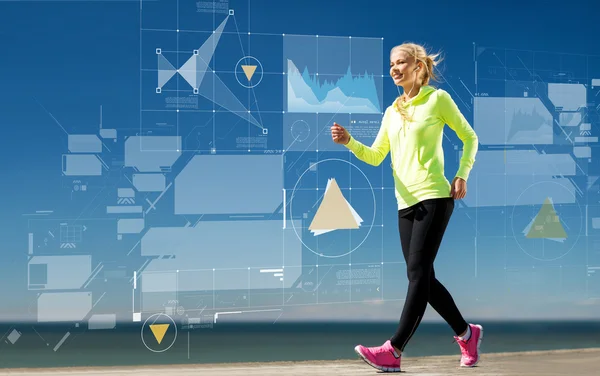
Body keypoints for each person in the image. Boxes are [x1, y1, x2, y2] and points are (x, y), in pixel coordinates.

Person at [331, 42, 481, 372]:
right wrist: (349, 142)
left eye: (401, 62)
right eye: (391, 64)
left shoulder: (437, 100)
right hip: (405, 203)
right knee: (422, 277)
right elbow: (375, 157)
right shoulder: (390, 112)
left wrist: (462, 174)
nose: (394, 68)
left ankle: (393, 350)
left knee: (416, 273)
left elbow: (470, 137)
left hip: (435, 196)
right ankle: (467, 333)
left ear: (418, 66)